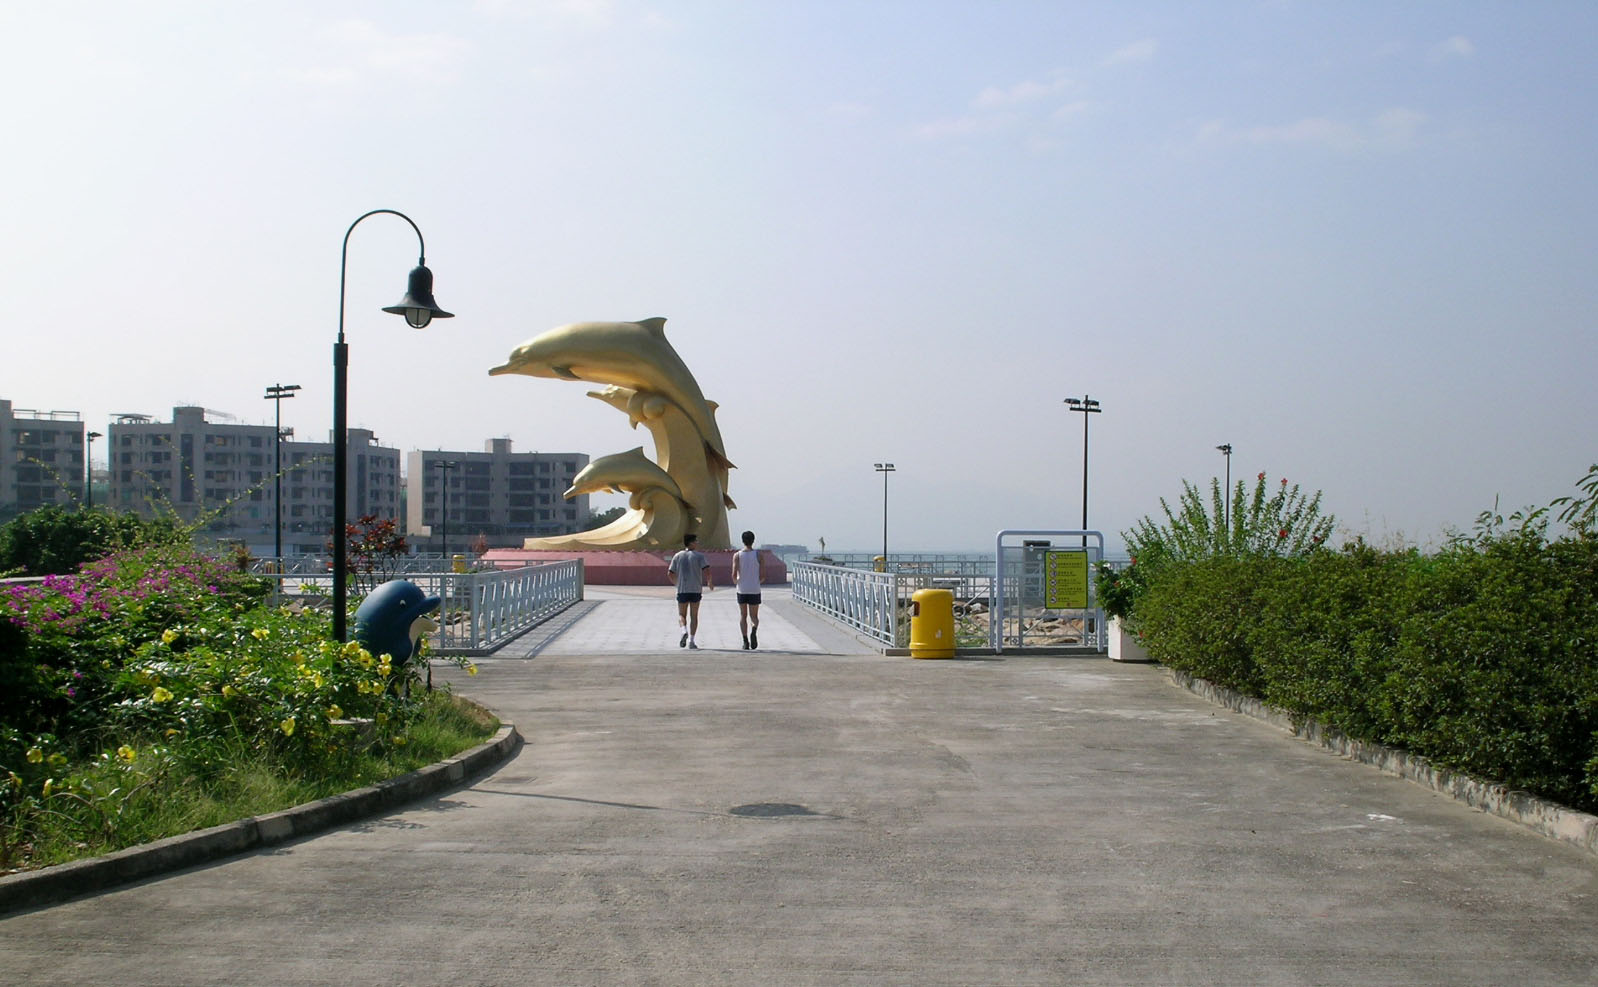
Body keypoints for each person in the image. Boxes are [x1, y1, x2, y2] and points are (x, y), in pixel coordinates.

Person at [666, 532, 712, 649]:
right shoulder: (699, 556)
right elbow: (707, 571)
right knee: (694, 615)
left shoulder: (677, 556)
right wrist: (709, 582)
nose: (698, 543)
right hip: (696, 589)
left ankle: (683, 631)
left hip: (682, 590)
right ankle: (691, 641)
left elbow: (670, 573)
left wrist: (677, 583)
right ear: (691, 543)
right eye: (696, 541)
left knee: (682, 614)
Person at [732, 529, 765, 649]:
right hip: (754, 588)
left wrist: (737, 583)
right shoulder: (759, 555)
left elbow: (734, 574)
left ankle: (745, 641)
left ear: (743, 541)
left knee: (743, 615)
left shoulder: (737, 555)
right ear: (753, 540)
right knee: (754, 616)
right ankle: (754, 630)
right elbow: (763, 576)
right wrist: (757, 582)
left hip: (742, 589)